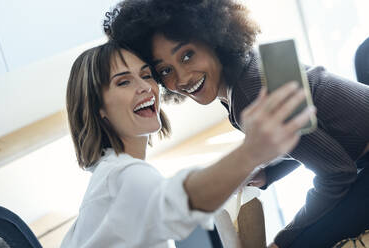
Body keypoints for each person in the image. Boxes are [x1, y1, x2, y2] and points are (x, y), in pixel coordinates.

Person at [105, 0, 369, 247]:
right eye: (165, 70)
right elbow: (312, 137)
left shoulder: (250, 95)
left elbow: (337, 174)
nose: (182, 78)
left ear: (214, 39)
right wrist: (269, 173)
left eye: (187, 55)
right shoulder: (244, 75)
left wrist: (282, 240)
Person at [60, 40, 313, 247]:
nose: (145, 88)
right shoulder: (120, 177)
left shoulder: (109, 179)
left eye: (147, 75)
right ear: (98, 108)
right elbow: (182, 200)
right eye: (123, 81)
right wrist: (251, 153)